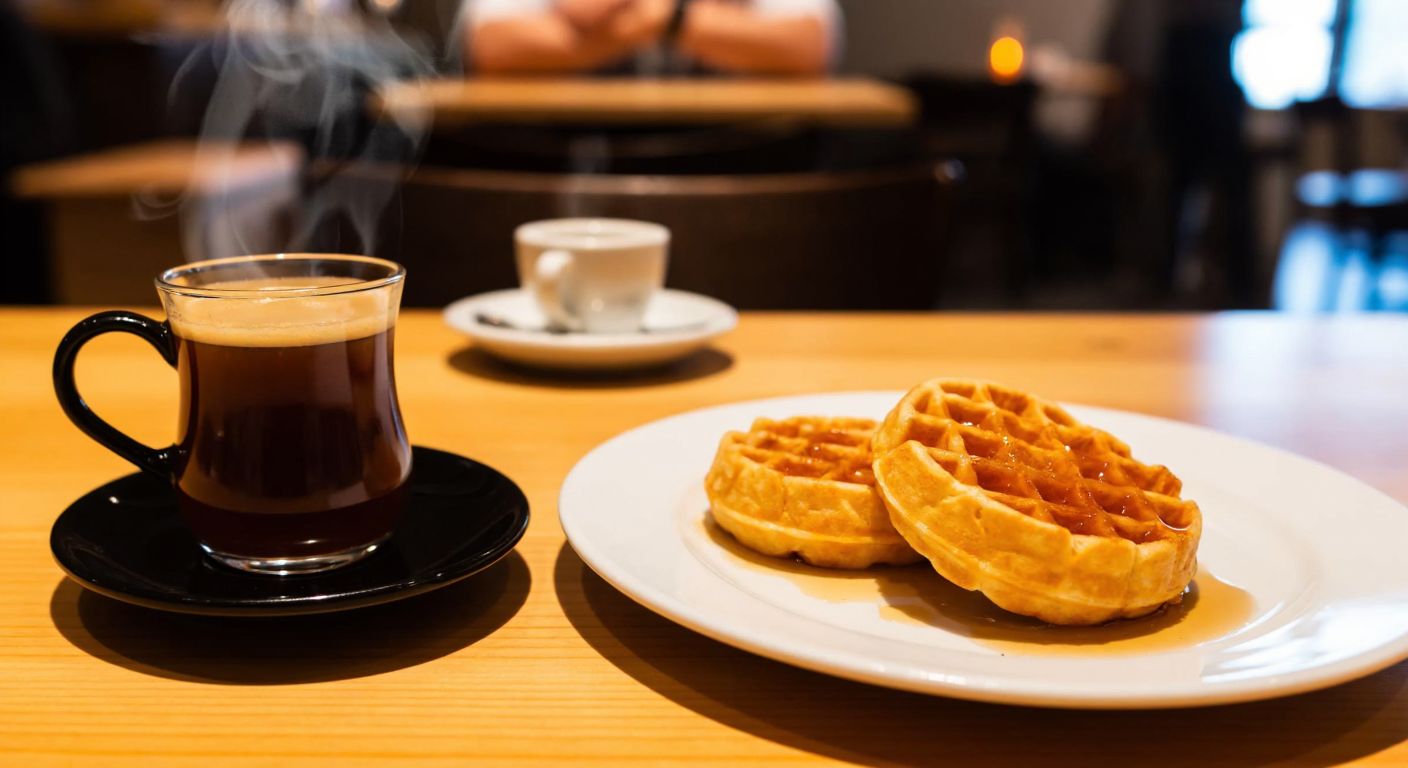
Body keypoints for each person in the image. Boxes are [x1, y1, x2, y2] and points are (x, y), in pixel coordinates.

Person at [461, 0, 839, 76]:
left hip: (744, 155)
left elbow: (806, 44)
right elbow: (493, 44)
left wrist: (667, 15)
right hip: (555, 157)